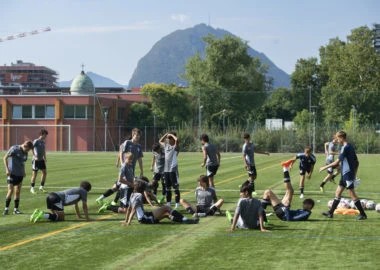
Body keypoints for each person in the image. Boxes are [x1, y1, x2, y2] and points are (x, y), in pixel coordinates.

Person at [319, 130, 367, 220]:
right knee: (337, 193)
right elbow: (357, 162)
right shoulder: (350, 146)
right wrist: (355, 174)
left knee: (352, 195)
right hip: (345, 174)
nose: (337, 141)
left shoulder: (345, 148)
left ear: (341, 138)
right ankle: (330, 213)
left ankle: (363, 214)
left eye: (337, 139)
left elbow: (336, 163)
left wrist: (324, 167)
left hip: (347, 174)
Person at [96, 128, 143, 205]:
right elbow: (121, 152)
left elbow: (140, 159)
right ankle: (119, 202)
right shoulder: (127, 142)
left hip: (131, 170)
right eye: (136, 135)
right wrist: (122, 164)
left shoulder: (139, 146)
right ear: (133, 135)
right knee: (125, 185)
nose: (138, 137)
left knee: (117, 186)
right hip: (125, 170)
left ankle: (104, 199)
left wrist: (141, 170)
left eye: (139, 136)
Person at [121, 180, 198, 225]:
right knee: (166, 208)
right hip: (145, 218)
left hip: (144, 217)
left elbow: (129, 209)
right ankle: (185, 219)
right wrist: (128, 222)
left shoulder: (132, 194)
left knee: (166, 214)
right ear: (142, 188)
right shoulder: (139, 196)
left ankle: (185, 221)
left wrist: (126, 220)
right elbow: (133, 209)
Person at [3, 141, 33, 215]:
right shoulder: (14, 149)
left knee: (18, 191)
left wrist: (24, 171)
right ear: (25, 146)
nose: (28, 151)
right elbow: (5, 158)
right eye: (28, 149)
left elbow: (22, 163)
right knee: (10, 191)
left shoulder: (25, 153)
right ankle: (6, 209)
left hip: (20, 174)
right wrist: (7, 169)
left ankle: (16, 210)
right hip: (12, 173)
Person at [159, 132, 180, 209]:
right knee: (167, 187)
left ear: (172, 139)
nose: (167, 140)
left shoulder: (175, 147)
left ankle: (177, 203)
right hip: (166, 170)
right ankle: (168, 203)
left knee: (175, 187)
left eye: (168, 138)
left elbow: (177, 139)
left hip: (173, 169)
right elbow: (160, 141)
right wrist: (166, 134)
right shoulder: (166, 146)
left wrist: (171, 135)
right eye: (167, 138)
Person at [30, 128, 49, 194]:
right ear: (42, 134)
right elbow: (31, 148)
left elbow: (44, 150)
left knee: (44, 172)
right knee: (34, 174)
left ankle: (41, 187)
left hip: (41, 160)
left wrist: (45, 158)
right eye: (45, 135)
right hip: (36, 160)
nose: (46, 137)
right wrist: (34, 156)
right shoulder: (36, 141)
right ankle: (32, 188)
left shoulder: (43, 142)